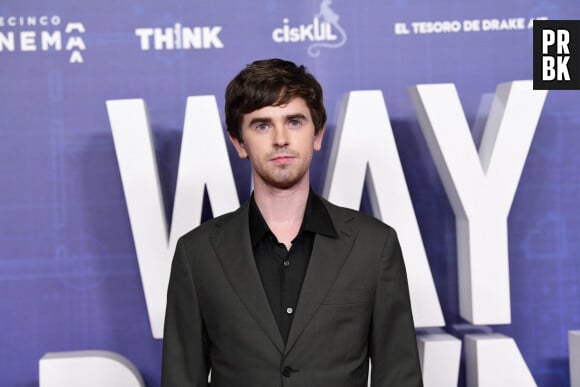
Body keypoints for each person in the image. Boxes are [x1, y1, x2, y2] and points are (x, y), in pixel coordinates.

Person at [161, 58, 423, 387]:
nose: (281, 138)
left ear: (317, 134)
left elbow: (399, 376)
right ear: (239, 143)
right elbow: (181, 378)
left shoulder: (374, 245)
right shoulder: (196, 254)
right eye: (262, 125)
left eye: (295, 121)